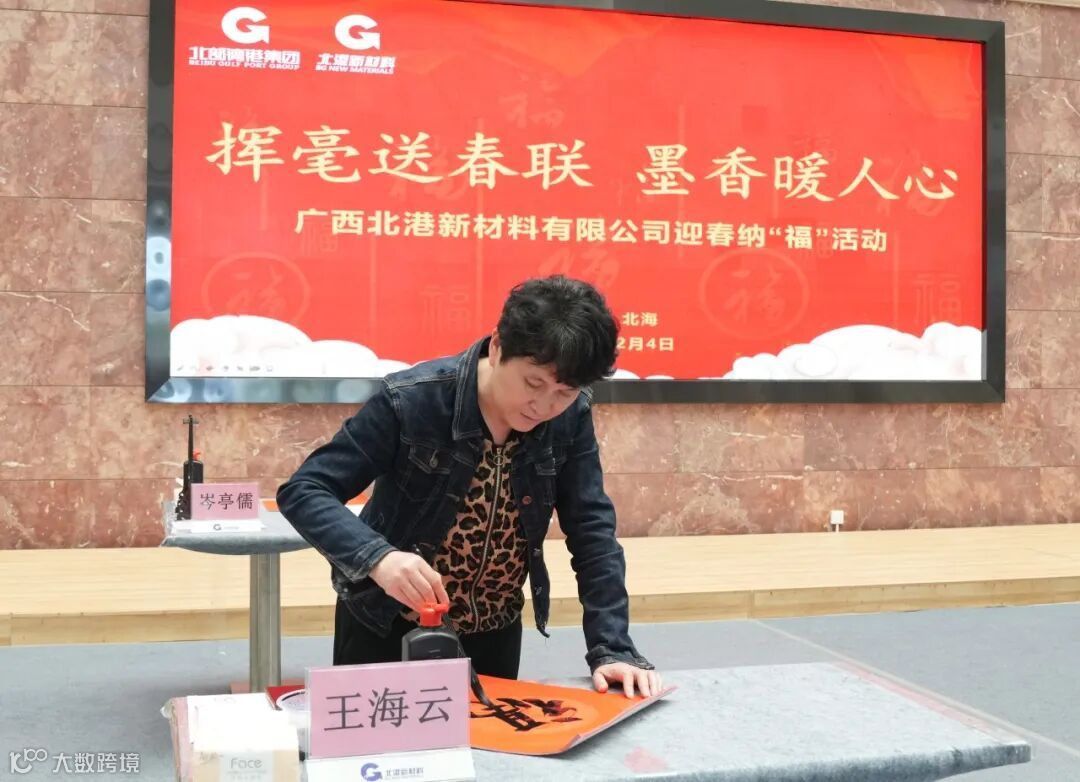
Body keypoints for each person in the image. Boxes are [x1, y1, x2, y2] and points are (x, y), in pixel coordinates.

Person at [277, 275, 660, 698]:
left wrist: (613, 648)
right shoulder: (413, 400)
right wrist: (378, 558)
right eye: (533, 383)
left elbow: (591, 529)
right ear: (497, 346)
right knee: (382, 738)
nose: (544, 405)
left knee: (486, 741)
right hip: (387, 622)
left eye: (564, 392)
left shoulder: (570, 417)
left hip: (494, 629)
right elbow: (305, 490)